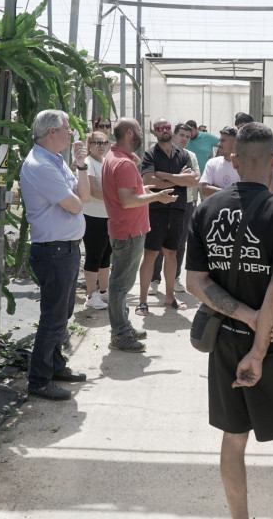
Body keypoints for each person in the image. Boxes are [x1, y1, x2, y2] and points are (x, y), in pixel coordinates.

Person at [186, 122, 273, 519]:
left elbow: (195, 282)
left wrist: (244, 317)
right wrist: (259, 348)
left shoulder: (207, 209)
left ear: (233, 160)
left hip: (225, 340)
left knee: (233, 437)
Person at [19, 110, 90, 401]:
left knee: (63, 314)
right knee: (53, 317)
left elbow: (83, 196)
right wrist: (76, 195)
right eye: (66, 129)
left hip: (65, 249)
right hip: (54, 251)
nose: (71, 134)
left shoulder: (55, 161)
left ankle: (56, 366)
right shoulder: (39, 165)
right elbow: (75, 205)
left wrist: (82, 166)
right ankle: (39, 380)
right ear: (51, 132)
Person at [102, 118, 177, 353]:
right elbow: (127, 201)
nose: (142, 134)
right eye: (137, 130)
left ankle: (123, 327)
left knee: (120, 283)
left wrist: (145, 190)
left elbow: (125, 194)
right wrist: (157, 197)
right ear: (128, 133)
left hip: (124, 229)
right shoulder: (122, 164)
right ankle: (121, 335)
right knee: (120, 286)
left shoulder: (114, 158)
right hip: (129, 232)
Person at [137, 118, 199, 315]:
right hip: (156, 210)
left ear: (171, 131)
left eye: (167, 127)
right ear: (154, 132)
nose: (164, 130)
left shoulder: (184, 154)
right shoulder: (150, 154)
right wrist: (177, 180)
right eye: (159, 128)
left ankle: (170, 297)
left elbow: (193, 180)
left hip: (178, 210)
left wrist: (163, 175)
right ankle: (143, 301)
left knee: (172, 254)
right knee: (150, 255)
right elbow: (148, 180)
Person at [151, 123, 200, 295]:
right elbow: (152, 178)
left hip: (185, 203)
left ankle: (175, 278)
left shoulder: (190, 156)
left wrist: (166, 176)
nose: (184, 139)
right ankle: (154, 279)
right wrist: (180, 178)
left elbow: (195, 179)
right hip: (160, 202)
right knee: (156, 242)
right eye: (182, 135)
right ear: (174, 135)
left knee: (179, 243)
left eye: (188, 136)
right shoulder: (157, 152)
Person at [83, 130, 111, 310]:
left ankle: (103, 291)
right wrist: (116, 199)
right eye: (97, 142)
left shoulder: (106, 162)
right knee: (94, 255)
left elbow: (135, 161)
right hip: (92, 216)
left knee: (106, 255)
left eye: (104, 142)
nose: (101, 146)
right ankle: (90, 296)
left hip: (107, 216)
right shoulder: (88, 163)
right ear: (90, 145)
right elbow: (92, 190)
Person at [199, 126, 240, 198]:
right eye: (219, 141)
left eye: (223, 141)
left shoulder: (245, 166)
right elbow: (205, 190)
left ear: (234, 144)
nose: (218, 144)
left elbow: (244, 192)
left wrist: (215, 189)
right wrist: (232, 192)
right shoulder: (212, 163)